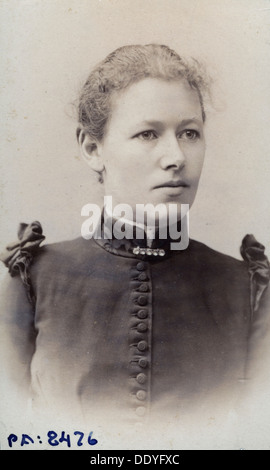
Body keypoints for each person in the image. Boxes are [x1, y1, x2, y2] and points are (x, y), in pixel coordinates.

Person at [0, 44, 269, 437]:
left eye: (190, 133)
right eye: (148, 134)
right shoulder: (34, 281)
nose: (176, 156)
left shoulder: (247, 289)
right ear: (93, 149)